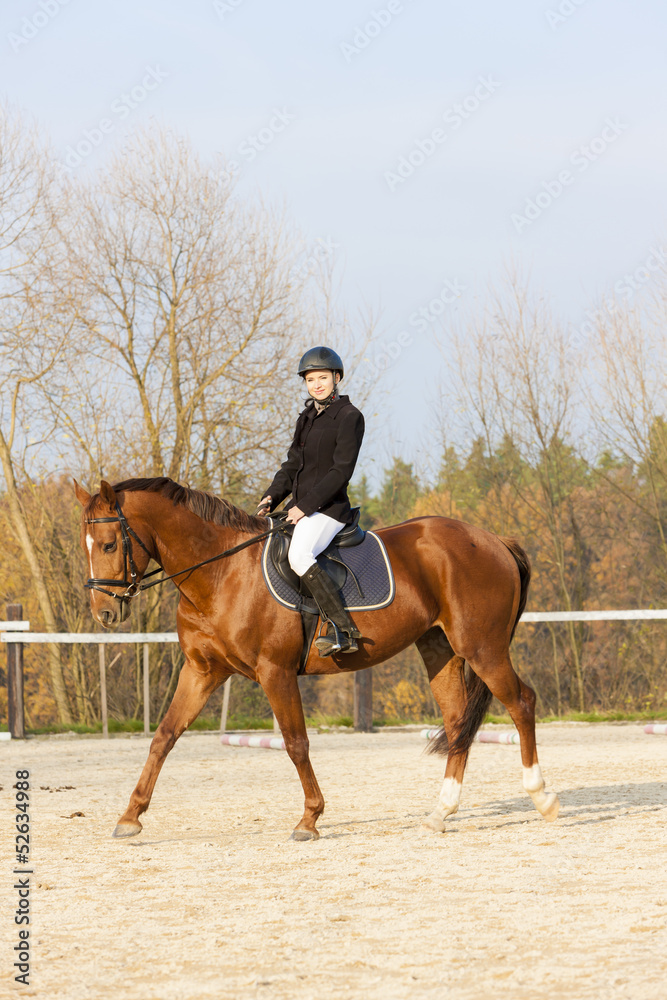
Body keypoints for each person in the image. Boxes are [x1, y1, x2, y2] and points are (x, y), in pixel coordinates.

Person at [258, 346, 365, 656]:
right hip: (300, 508)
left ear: (337, 377)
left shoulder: (349, 416)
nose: (316, 384)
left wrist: (304, 507)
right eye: (310, 379)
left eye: (322, 377)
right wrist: (272, 495)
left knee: (300, 555)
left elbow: (340, 471)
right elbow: (293, 464)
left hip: (329, 510)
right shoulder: (306, 417)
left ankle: (342, 630)